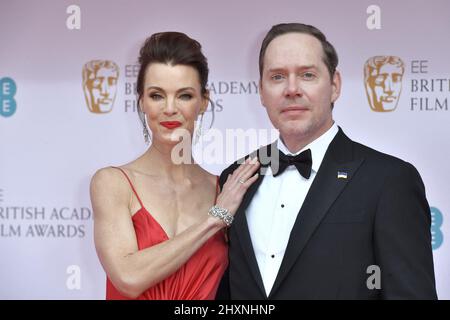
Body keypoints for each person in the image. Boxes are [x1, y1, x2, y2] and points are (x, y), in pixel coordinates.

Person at [216, 23, 437, 299]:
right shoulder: (234, 178)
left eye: (307, 75)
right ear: (261, 91)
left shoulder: (389, 180)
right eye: (277, 77)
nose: (292, 89)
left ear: (334, 86)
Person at [90, 32, 259, 300]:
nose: (170, 109)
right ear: (142, 101)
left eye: (184, 96)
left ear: (204, 101)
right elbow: (128, 277)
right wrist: (213, 220)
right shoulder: (112, 183)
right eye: (157, 95)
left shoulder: (224, 189)